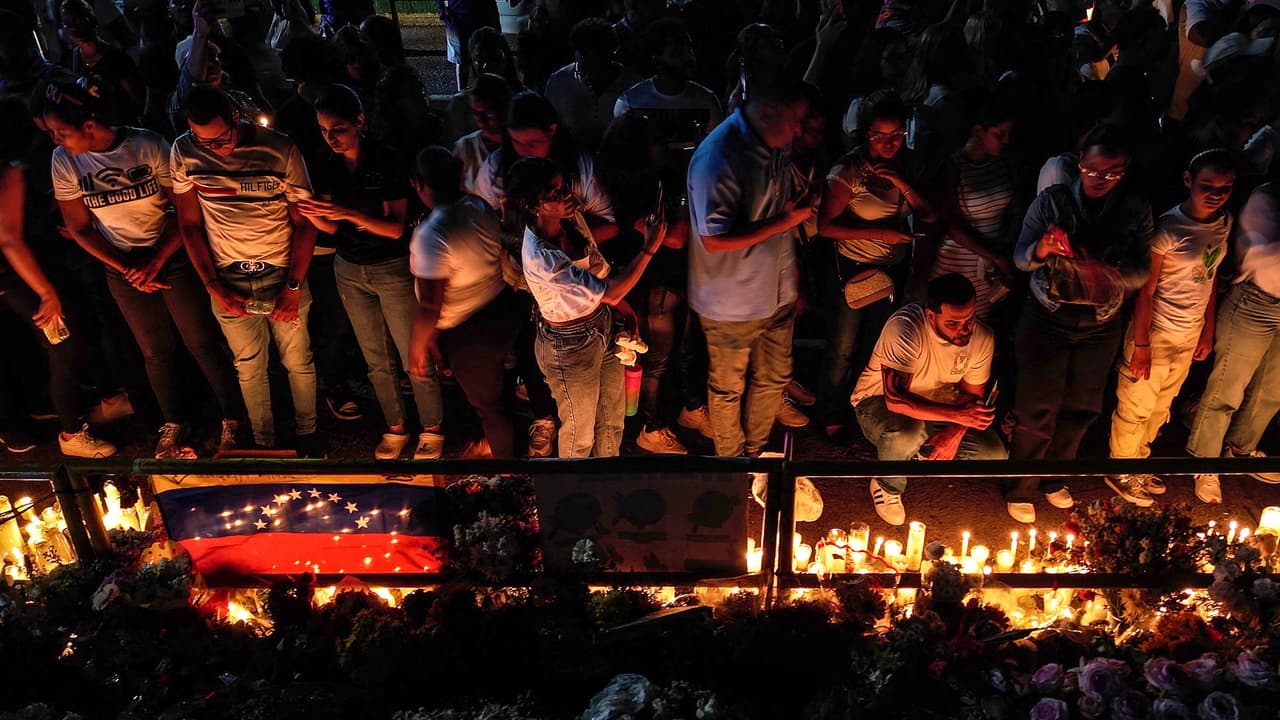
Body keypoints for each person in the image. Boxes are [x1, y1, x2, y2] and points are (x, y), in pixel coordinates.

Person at [44, 81, 243, 458]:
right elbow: (79, 227)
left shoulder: (147, 145)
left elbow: (182, 211)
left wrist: (155, 261)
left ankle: (233, 418)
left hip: (172, 257)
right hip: (122, 267)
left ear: (89, 125)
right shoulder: (64, 161)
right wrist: (126, 266)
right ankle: (174, 421)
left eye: (61, 133)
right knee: (154, 350)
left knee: (200, 342)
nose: (56, 140)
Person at [1006, 124, 1153, 523]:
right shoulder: (1053, 201)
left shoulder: (1135, 207)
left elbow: (1144, 270)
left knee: (1081, 407)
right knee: (1037, 406)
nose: (1100, 179)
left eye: (1112, 172)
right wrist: (1043, 247)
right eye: (1093, 170)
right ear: (1079, 164)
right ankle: (1021, 485)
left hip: (1100, 322)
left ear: (1125, 170)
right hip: (1048, 317)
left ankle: (1055, 478)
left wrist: (1108, 273)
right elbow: (1020, 257)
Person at [171, 84, 322, 456]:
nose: (213, 148)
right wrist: (212, 284)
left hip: (279, 268)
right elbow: (189, 224)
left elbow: (305, 222)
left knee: (298, 359)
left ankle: (309, 434)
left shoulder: (279, 148)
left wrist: (293, 286)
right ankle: (263, 442)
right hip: (228, 273)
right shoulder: (184, 151)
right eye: (201, 140)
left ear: (236, 118)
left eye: (220, 139)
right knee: (248, 365)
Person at [297, 85, 444, 460]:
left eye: (338, 128)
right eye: (324, 130)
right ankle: (395, 425)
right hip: (348, 267)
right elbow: (330, 228)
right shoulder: (326, 165)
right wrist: (309, 209)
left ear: (360, 122)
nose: (330, 138)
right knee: (374, 356)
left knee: (413, 351)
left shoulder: (386, 160)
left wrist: (349, 214)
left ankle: (432, 427)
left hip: (391, 265)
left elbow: (395, 227)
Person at [686, 77, 814, 457]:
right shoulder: (720, 157)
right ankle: (732, 463)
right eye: (795, 121)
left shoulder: (773, 143)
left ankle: (757, 454)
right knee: (728, 387)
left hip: (776, 291)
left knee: (774, 377)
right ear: (769, 112)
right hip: (731, 301)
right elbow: (713, 239)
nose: (798, 130)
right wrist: (786, 222)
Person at [507, 156, 667, 457]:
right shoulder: (543, 257)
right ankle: (573, 498)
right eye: (553, 195)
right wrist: (649, 248)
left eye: (563, 187)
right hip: (569, 345)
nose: (566, 196)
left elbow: (599, 272)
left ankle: (605, 491)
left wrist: (625, 310)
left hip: (601, 325)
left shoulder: (571, 220)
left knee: (612, 421)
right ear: (532, 207)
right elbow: (609, 291)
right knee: (579, 436)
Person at [1107, 149, 1235, 505]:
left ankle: (1139, 462)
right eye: (1207, 184)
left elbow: (1209, 282)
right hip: (1157, 331)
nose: (1215, 193)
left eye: (1224, 187)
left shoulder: (1223, 222)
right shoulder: (1168, 229)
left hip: (1189, 332)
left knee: (1161, 407)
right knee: (1135, 406)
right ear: (1188, 180)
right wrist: (1143, 345)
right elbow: (1146, 290)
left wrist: (1207, 332)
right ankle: (1121, 469)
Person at [814, 91, 934, 439]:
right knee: (843, 347)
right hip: (854, 269)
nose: (889, 143)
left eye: (897, 135)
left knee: (875, 345)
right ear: (866, 134)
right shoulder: (849, 171)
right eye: (880, 136)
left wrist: (901, 183)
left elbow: (928, 213)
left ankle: (864, 409)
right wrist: (881, 233)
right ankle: (830, 412)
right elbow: (825, 226)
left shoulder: (910, 166)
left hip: (893, 271)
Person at [0, 95, 113, 458]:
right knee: (62, 343)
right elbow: (10, 240)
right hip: (22, 275)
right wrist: (46, 292)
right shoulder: (9, 171)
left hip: (28, 269)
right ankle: (71, 434)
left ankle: (78, 406)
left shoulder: (16, 169)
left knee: (63, 340)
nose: (48, 135)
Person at [851, 273, 1005, 525]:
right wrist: (957, 416)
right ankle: (888, 484)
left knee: (993, 454)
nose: (964, 330)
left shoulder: (982, 337)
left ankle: (916, 450)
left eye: (970, 319)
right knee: (906, 432)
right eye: (953, 323)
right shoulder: (906, 327)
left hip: (941, 406)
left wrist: (953, 435)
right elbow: (896, 400)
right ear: (931, 316)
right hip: (877, 402)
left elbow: (971, 398)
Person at [408, 147, 521, 458]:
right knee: (492, 396)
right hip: (499, 308)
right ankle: (485, 444)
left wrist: (416, 347)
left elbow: (430, 304)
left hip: (470, 331)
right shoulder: (477, 205)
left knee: (489, 406)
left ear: (419, 185)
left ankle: (507, 474)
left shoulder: (433, 232)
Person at [1187, 172, 1280, 498]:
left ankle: (1240, 449)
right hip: (1255, 301)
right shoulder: (1267, 198)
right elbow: (1267, 259)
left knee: (1272, 390)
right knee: (1228, 387)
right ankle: (1205, 464)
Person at [931, 99, 1018, 322]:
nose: (1006, 141)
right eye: (999, 134)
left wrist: (1002, 248)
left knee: (979, 325)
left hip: (989, 267)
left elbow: (1013, 210)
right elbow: (951, 225)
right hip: (958, 262)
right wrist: (994, 256)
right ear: (979, 131)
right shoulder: (954, 168)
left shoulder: (1001, 164)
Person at [612, 17, 722, 149]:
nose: (689, 58)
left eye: (689, 49)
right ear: (656, 60)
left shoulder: (707, 100)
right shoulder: (630, 103)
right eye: (677, 53)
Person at [543, 18, 643, 151]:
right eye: (585, 59)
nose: (591, 72)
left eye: (600, 62)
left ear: (613, 54)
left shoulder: (634, 87)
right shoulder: (559, 82)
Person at [453, 73, 511, 194]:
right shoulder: (465, 148)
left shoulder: (522, 144)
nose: (481, 120)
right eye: (475, 113)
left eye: (488, 114)